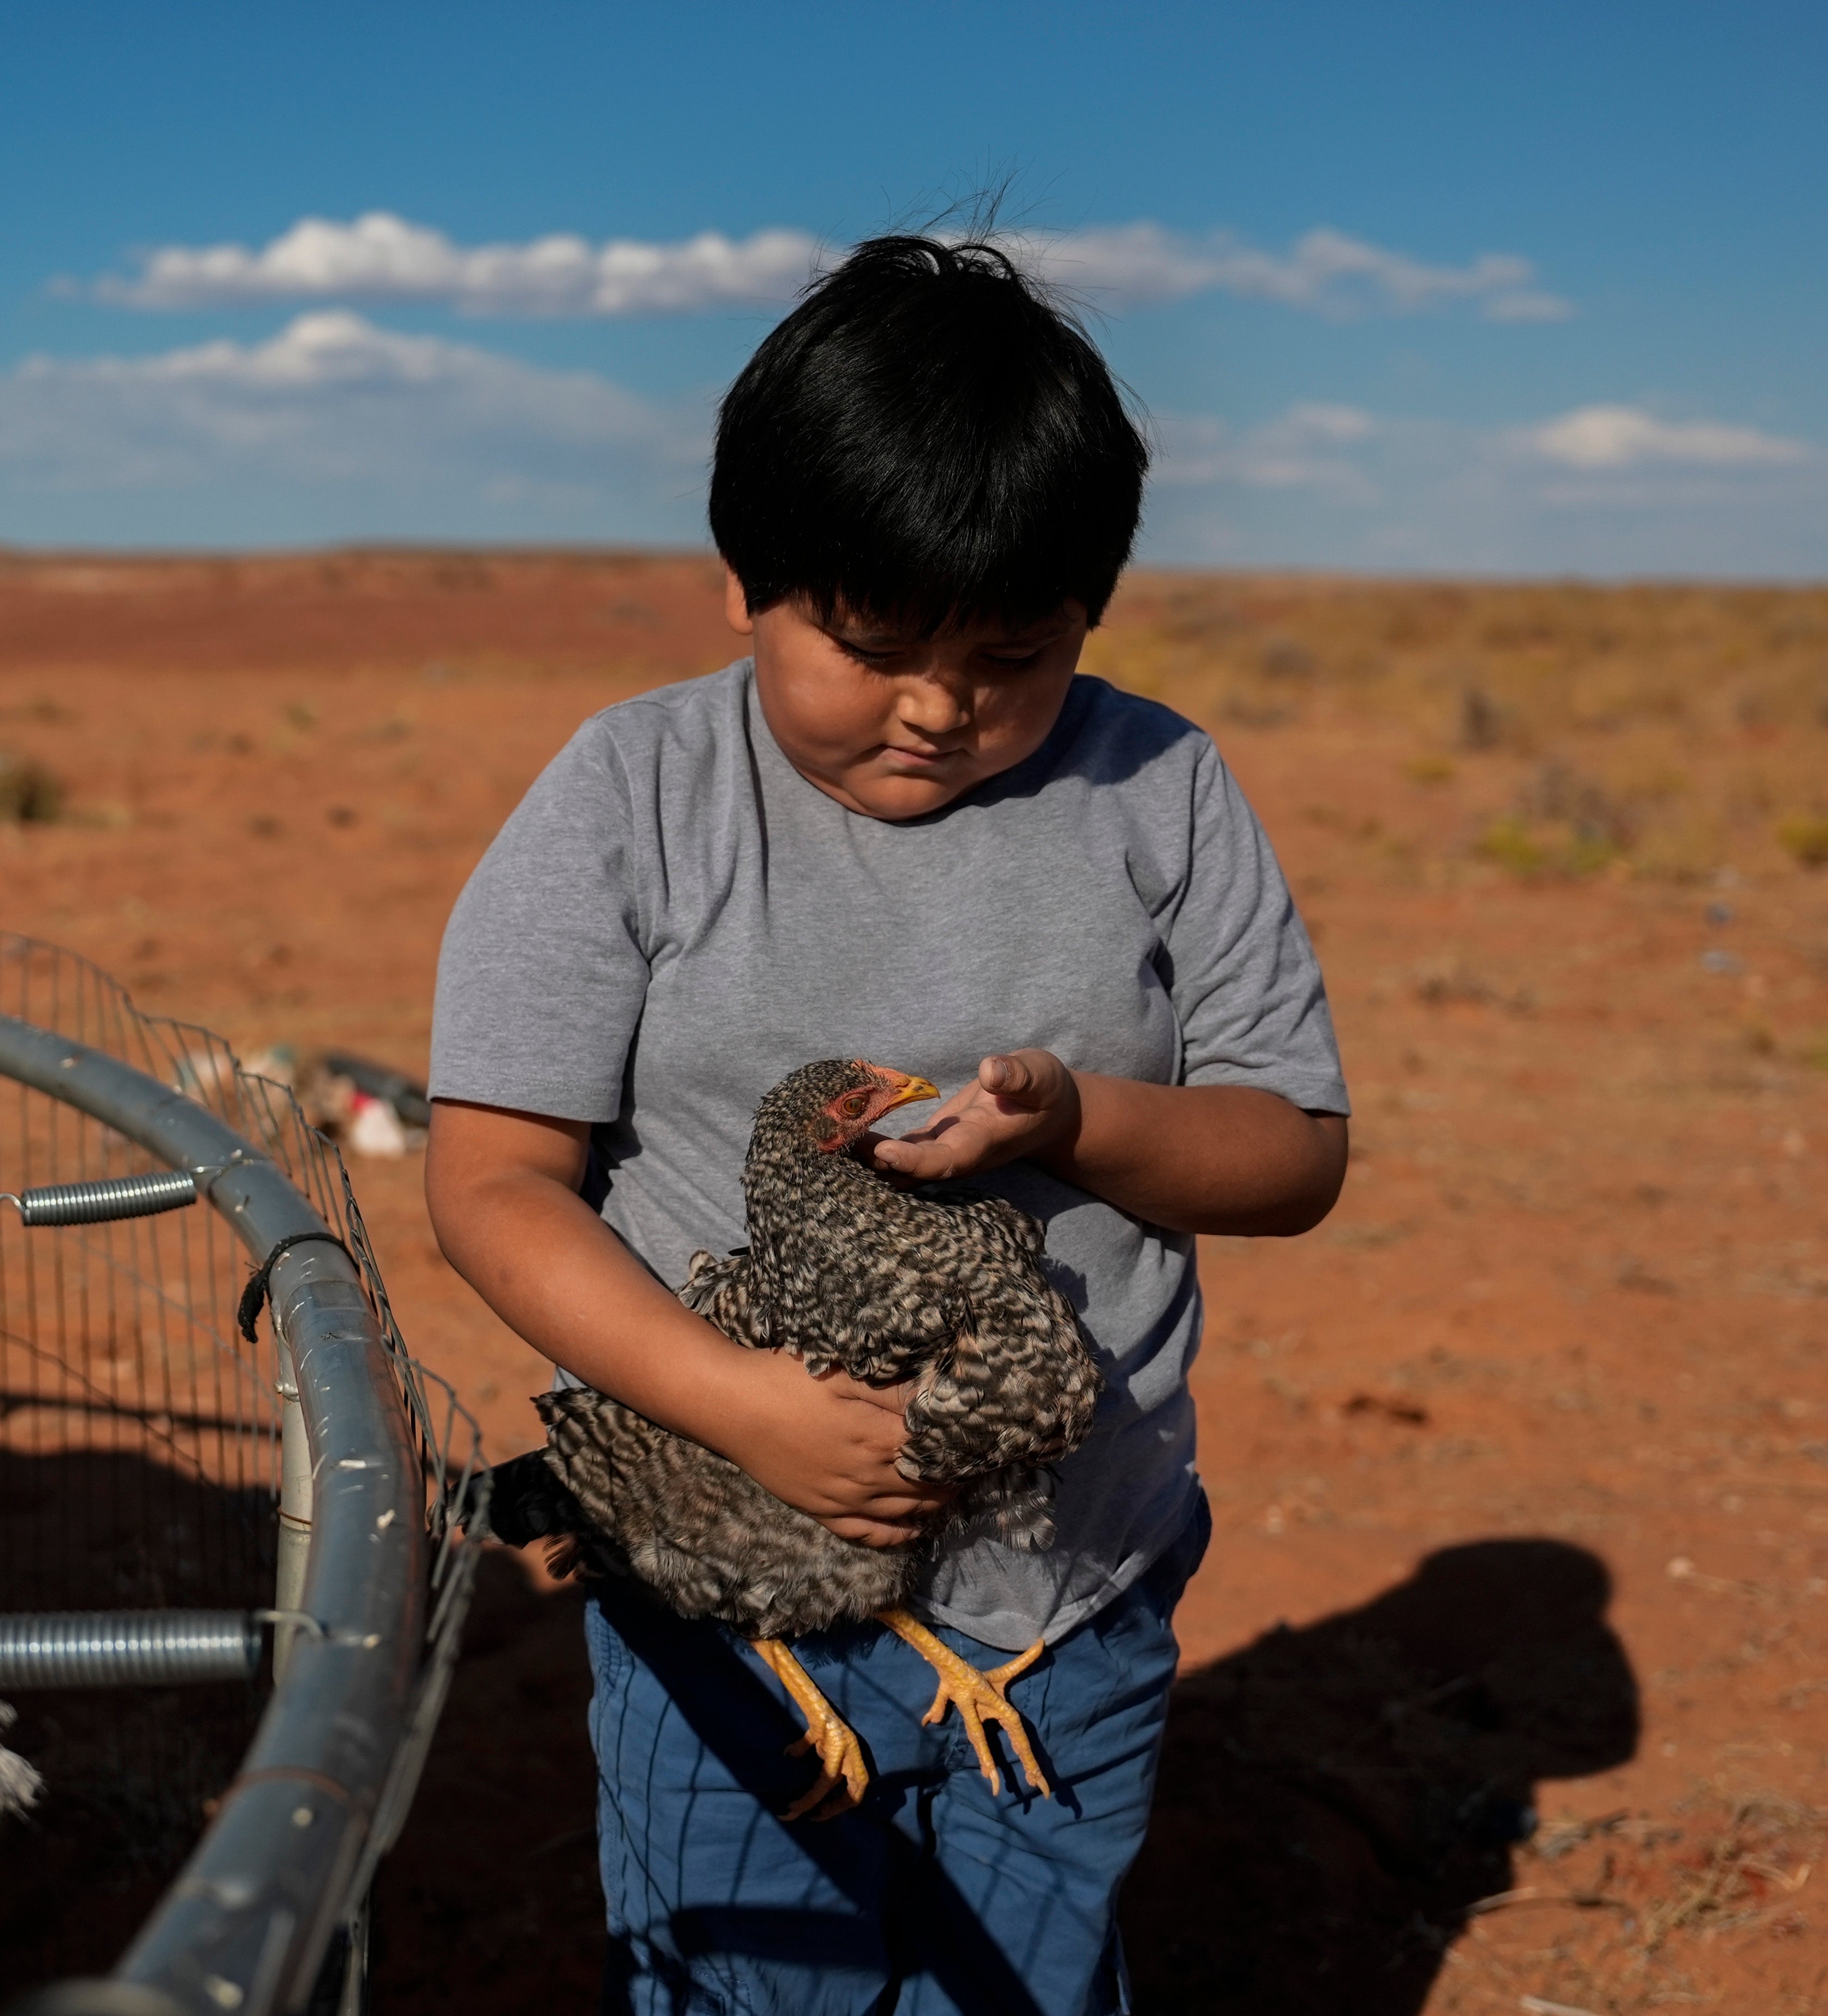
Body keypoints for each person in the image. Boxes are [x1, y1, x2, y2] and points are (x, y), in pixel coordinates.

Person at [423, 235, 1350, 2015]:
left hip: (1079, 1580)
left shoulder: (1160, 788)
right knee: (759, 1987)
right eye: (872, 643)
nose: (940, 705)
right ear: (744, 589)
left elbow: (1291, 1155)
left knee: (1028, 1983)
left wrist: (1076, 1124)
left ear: (1097, 604)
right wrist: (753, 1411)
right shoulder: (634, 798)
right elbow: (492, 1182)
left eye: (1016, 652)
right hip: (733, 1599)